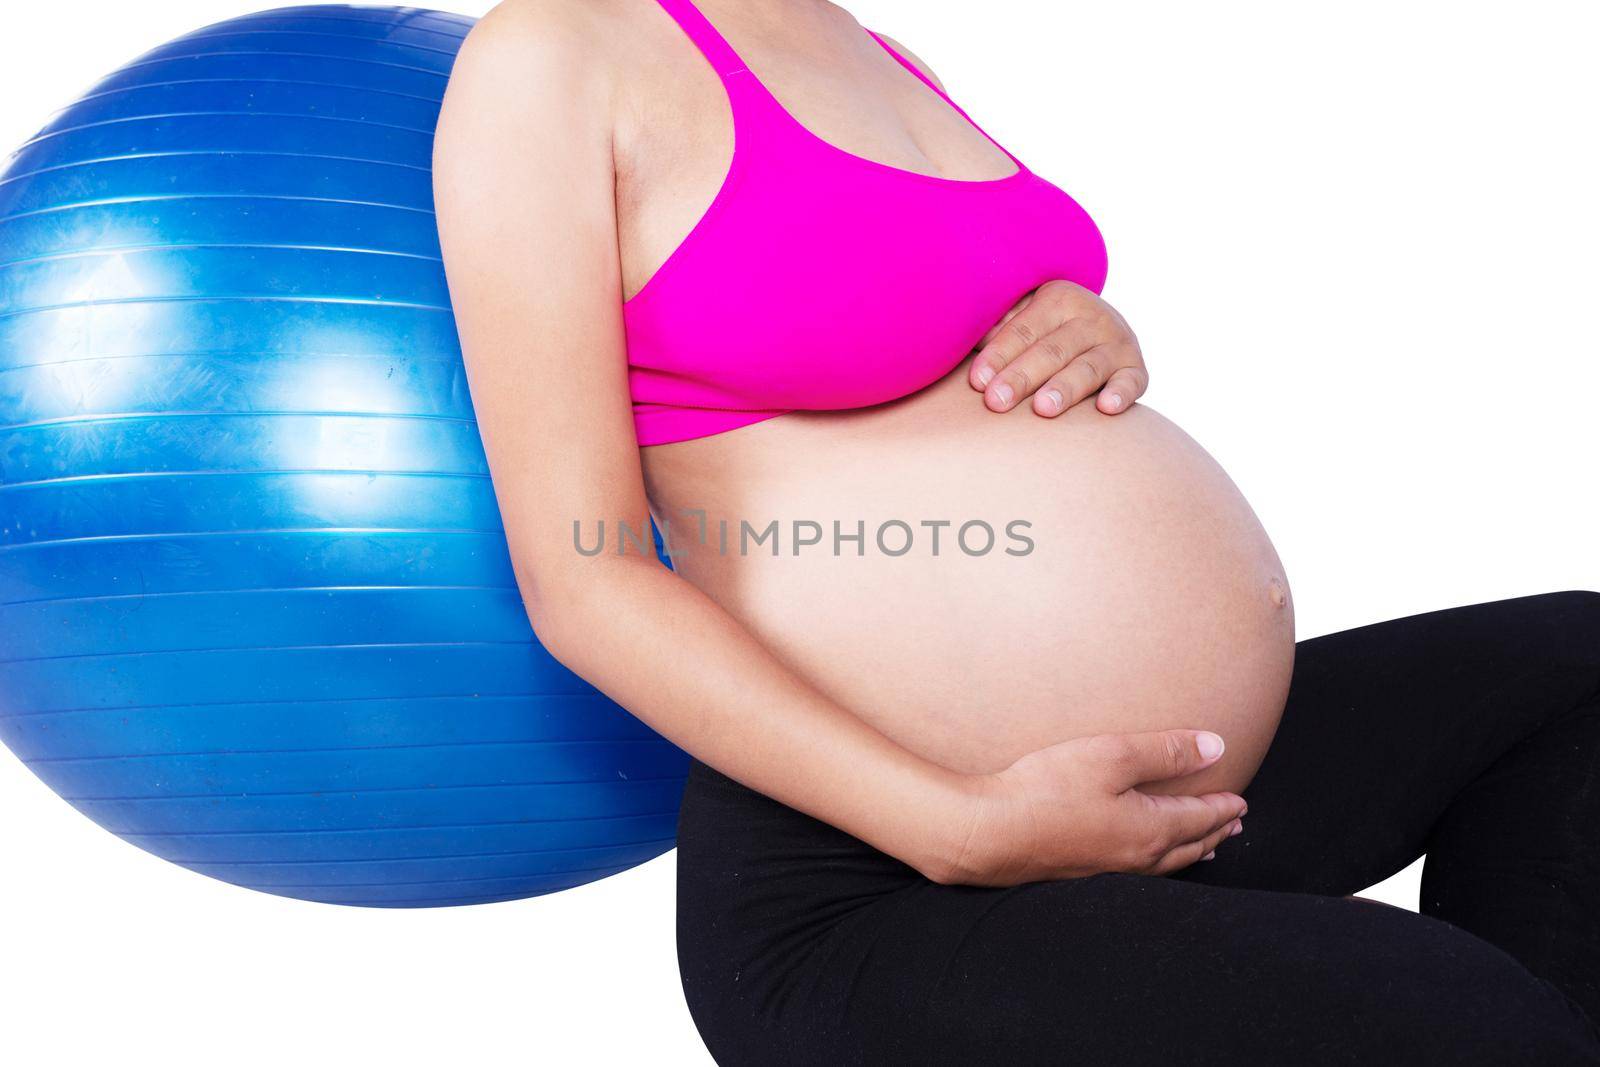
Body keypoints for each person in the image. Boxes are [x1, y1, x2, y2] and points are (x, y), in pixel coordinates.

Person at [431, 0, 1600, 1061]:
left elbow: (911, 340)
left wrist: (1085, 325)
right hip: (881, 875)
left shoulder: (883, 56)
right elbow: (585, 576)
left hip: (1153, 782)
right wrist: (958, 828)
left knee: (1576, 674)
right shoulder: (555, 54)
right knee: (1456, 1016)